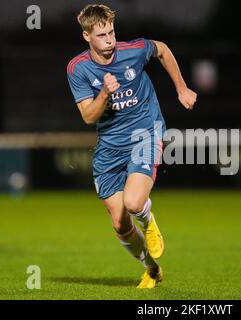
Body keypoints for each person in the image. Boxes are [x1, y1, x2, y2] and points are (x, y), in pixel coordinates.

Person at [66, 4, 197, 288]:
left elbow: (161, 49)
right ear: (87, 36)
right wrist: (104, 93)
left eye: (112, 32)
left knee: (134, 203)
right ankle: (151, 268)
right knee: (119, 224)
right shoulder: (78, 68)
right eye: (102, 35)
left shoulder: (133, 50)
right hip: (110, 146)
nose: (110, 40)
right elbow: (89, 116)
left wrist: (181, 88)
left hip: (145, 132)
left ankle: (149, 222)